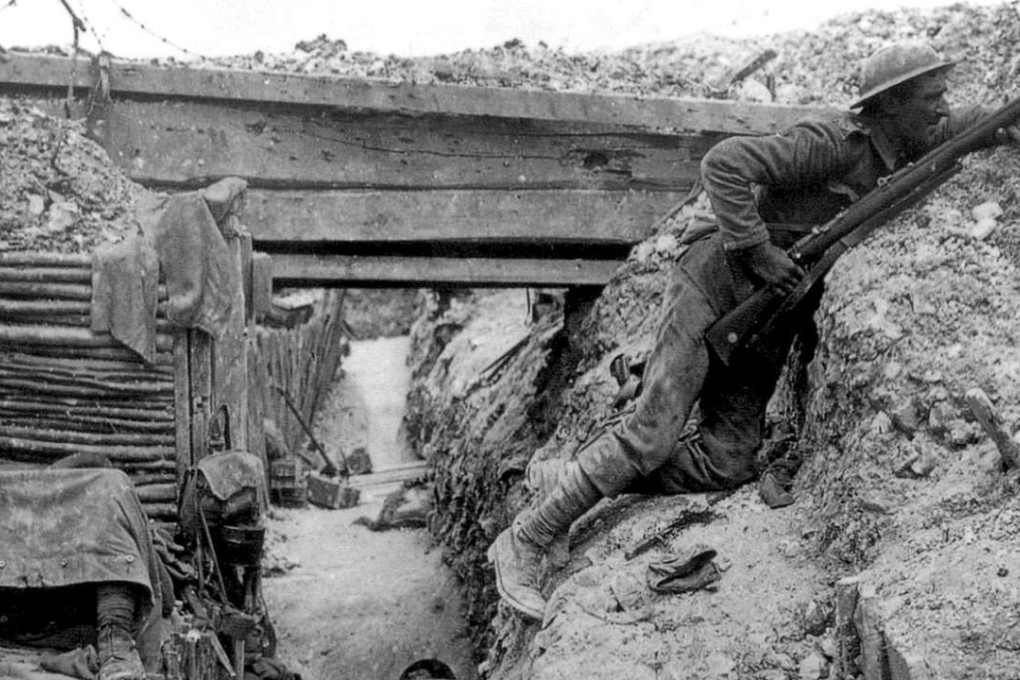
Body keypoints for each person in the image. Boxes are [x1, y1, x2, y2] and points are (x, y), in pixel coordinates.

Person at [487, 41, 1020, 621]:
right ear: (889, 105)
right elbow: (724, 165)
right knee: (654, 431)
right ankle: (529, 537)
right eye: (929, 96)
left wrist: (1000, 124)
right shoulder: (833, 144)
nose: (941, 105)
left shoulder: (909, 145)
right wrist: (758, 247)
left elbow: (963, 126)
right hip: (716, 279)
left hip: (767, 316)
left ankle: (571, 479)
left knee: (728, 461)